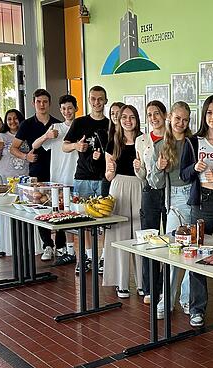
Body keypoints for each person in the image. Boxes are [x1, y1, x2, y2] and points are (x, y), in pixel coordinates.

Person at [180, 95, 213, 328]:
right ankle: (197, 309)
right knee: (197, 256)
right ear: (204, 116)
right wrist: (195, 167)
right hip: (200, 203)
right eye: (209, 113)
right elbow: (183, 174)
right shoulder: (193, 142)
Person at [150, 101, 193, 319]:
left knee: (194, 251)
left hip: (195, 199)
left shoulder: (193, 143)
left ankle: (187, 299)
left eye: (185, 120)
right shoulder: (160, 146)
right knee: (174, 252)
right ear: (169, 118)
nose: (181, 123)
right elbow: (154, 183)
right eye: (178, 119)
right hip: (174, 199)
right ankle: (166, 299)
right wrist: (159, 168)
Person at [11, 89, 62, 262]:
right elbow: (13, 148)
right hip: (37, 172)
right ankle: (47, 244)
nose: (42, 105)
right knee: (41, 207)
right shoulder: (26, 124)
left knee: (59, 207)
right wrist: (26, 157)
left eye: (45, 102)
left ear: (49, 103)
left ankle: (61, 246)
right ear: (33, 103)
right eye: (39, 101)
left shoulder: (57, 123)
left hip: (56, 171)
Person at [63, 86, 109, 273]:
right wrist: (76, 145)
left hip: (104, 178)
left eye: (100, 99)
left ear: (105, 101)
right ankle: (88, 257)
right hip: (83, 177)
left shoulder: (111, 124)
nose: (97, 102)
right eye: (93, 99)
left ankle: (104, 258)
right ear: (89, 100)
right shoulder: (80, 122)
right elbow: (64, 146)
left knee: (106, 221)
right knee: (83, 220)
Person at [102, 102, 144, 298]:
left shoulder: (144, 141)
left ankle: (143, 282)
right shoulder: (113, 143)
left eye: (132, 117)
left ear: (137, 120)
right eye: (124, 117)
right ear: (119, 120)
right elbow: (108, 175)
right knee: (118, 235)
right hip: (118, 187)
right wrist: (110, 172)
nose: (128, 121)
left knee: (140, 234)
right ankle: (121, 282)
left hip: (139, 186)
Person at [134, 100, 168, 304]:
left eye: (157, 113)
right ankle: (150, 288)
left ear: (164, 115)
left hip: (171, 192)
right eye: (149, 115)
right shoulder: (141, 140)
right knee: (149, 240)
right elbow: (142, 175)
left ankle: (165, 287)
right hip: (150, 192)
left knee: (171, 240)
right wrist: (137, 167)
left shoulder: (173, 137)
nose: (153, 118)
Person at [0, 109, 28, 255]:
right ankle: (9, 245)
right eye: (9, 119)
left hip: (25, 181)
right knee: (8, 214)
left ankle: (26, 244)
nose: (13, 121)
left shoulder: (26, 134)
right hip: (7, 181)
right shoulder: (1, 137)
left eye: (16, 118)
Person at [47, 94, 79, 266]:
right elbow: (36, 146)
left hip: (79, 177)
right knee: (64, 216)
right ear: (60, 110)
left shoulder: (82, 125)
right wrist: (47, 136)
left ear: (76, 108)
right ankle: (69, 251)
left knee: (78, 216)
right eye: (64, 108)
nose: (67, 111)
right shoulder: (55, 127)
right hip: (59, 179)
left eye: (70, 108)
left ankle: (85, 253)